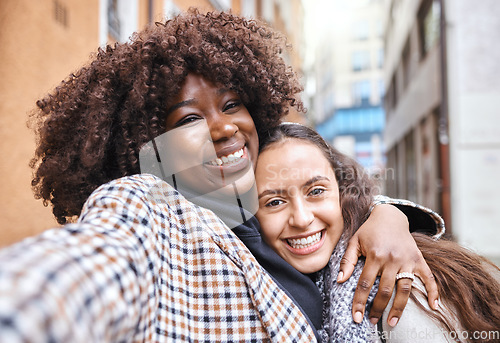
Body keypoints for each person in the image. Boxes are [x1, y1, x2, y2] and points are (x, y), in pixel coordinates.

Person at [0, 9, 442, 342]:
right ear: (149, 150)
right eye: (189, 120)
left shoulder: (266, 211)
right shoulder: (150, 213)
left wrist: (384, 214)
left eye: (232, 104)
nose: (224, 127)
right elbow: (83, 272)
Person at [254, 123, 500, 342]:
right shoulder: (253, 282)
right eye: (274, 202)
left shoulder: (400, 285)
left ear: (343, 192)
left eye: (316, 191)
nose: (302, 218)